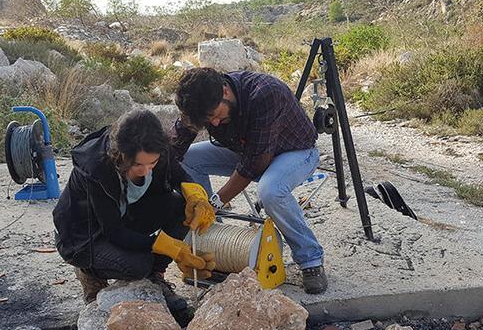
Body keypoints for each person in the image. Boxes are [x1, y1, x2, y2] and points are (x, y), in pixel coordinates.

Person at [170, 68, 328, 294]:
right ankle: (212, 241)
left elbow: (255, 163)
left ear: (225, 90)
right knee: (189, 159)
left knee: (270, 192)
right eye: (208, 120)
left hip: (295, 152)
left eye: (216, 114)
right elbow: (175, 149)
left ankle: (310, 260)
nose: (214, 123)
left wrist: (213, 203)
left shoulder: (265, 93)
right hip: (246, 150)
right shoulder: (199, 100)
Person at [52, 108, 215, 312]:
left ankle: (155, 277)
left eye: (152, 164)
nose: (146, 170)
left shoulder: (156, 150)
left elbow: (179, 176)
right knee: (138, 265)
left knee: (181, 207)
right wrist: (170, 247)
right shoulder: (96, 169)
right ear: (121, 154)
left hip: (125, 214)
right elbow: (114, 231)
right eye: (138, 165)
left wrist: (197, 198)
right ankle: (89, 272)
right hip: (86, 237)